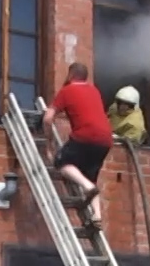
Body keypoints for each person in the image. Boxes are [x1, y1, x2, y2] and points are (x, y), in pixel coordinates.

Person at [39, 62, 114, 213]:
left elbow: (48, 119)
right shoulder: (94, 91)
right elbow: (83, 110)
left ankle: (88, 187)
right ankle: (97, 217)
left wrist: (48, 142)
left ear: (71, 74)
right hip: (106, 140)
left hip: (85, 136)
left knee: (62, 162)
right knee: (90, 176)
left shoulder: (67, 91)